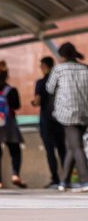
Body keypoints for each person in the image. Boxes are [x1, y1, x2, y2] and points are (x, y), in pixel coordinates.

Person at [46, 41, 88, 191]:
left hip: (67, 112)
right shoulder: (85, 68)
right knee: (71, 145)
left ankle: (85, 181)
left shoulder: (58, 70)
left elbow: (49, 88)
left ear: (62, 56)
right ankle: (64, 181)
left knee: (76, 146)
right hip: (85, 112)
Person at [0, 60, 25, 188]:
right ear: (7, 74)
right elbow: (17, 106)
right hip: (8, 124)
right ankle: (15, 174)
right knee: (15, 150)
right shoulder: (12, 91)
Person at [35, 55, 71, 189]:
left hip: (46, 121)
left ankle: (55, 179)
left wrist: (34, 102)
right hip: (60, 119)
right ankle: (66, 179)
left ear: (44, 66)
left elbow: (37, 101)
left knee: (50, 151)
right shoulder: (60, 80)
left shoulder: (41, 83)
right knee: (63, 150)